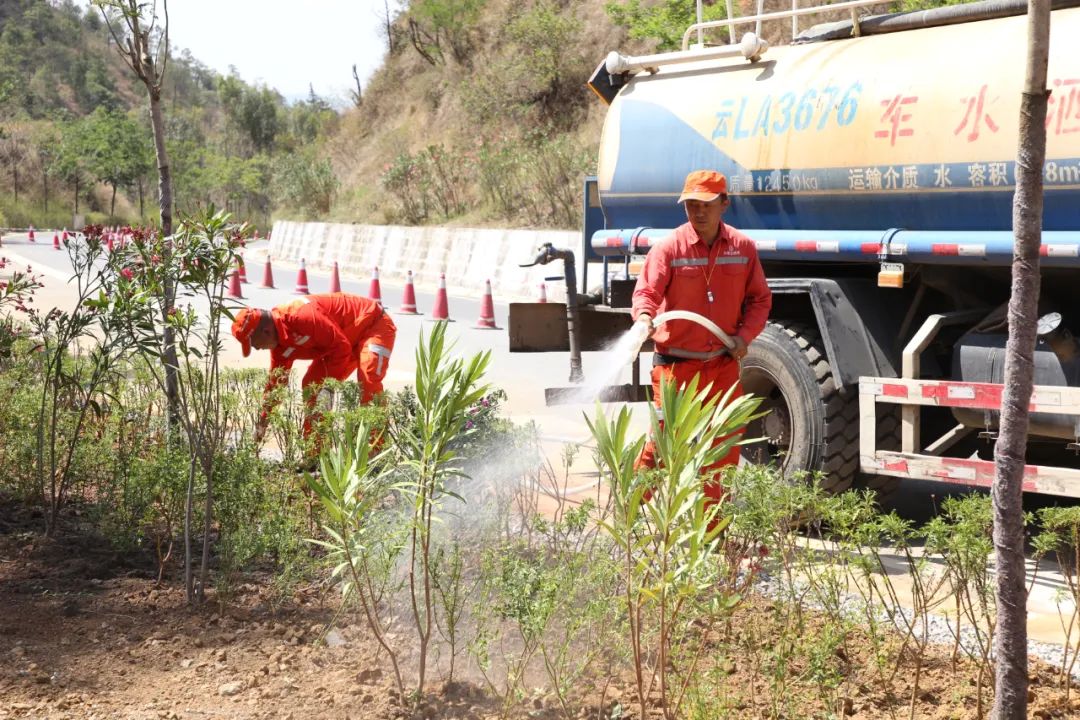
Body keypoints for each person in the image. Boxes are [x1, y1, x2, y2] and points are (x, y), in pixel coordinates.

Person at [631, 169, 772, 502]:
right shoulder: (669, 248)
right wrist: (644, 319)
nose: (698, 211)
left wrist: (744, 336)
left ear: (724, 203)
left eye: (706, 204)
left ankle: (710, 536)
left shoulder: (742, 247)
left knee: (722, 451)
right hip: (675, 369)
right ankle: (629, 522)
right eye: (691, 204)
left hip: (720, 367)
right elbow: (647, 292)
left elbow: (760, 299)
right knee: (663, 448)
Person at [231, 292, 396, 443]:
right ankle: (316, 455)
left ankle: (376, 452)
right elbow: (276, 384)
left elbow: (341, 348)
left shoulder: (301, 317)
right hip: (342, 341)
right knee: (312, 386)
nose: (256, 349)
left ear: (266, 332)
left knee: (368, 380)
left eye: (254, 344)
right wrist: (262, 423)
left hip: (373, 325)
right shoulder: (280, 347)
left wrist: (328, 387)